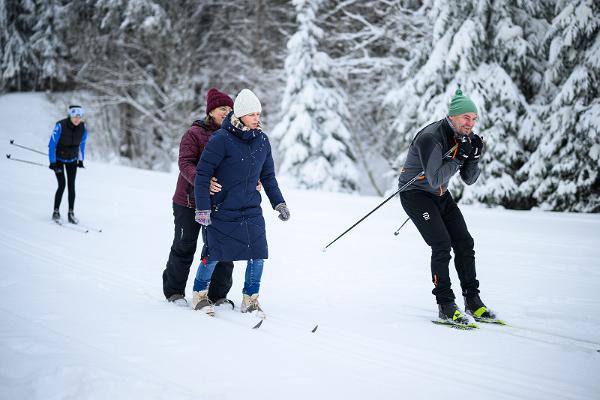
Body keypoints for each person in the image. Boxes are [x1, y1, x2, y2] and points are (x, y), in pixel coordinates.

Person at [398, 88, 495, 325]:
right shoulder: (431, 137)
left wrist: (473, 158)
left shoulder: (464, 137)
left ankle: (473, 301)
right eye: (466, 117)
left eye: (474, 118)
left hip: (441, 195)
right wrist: (459, 158)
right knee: (441, 244)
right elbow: (434, 178)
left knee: (464, 242)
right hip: (416, 194)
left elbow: (469, 180)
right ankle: (445, 304)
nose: (470, 123)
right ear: (452, 116)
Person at [192, 88, 290, 316]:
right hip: (222, 208)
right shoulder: (221, 140)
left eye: (259, 114)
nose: (258, 118)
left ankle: (251, 299)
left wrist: (279, 203)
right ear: (240, 115)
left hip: (250, 209)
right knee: (214, 254)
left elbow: (268, 177)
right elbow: (203, 175)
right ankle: (199, 294)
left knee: (258, 254)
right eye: (253, 114)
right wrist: (203, 208)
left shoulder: (262, 141)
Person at [162, 88, 242, 307]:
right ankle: (174, 291)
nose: (226, 112)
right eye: (222, 108)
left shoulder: (234, 135)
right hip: (189, 202)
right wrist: (203, 181)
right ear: (211, 111)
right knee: (185, 244)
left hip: (220, 204)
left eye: (229, 109)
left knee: (221, 248)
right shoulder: (194, 134)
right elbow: (185, 163)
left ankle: (218, 295)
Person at [48, 105, 88, 224]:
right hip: (59, 159)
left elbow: (82, 145)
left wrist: (81, 160)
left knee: (72, 186)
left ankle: (71, 213)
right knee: (62, 185)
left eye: (79, 117)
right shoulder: (60, 125)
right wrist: (52, 162)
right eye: (75, 116)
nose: (77, 119)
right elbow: (52, 145)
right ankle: (56, 211)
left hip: (72, 159)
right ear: (70, 115)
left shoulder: (83, 127)